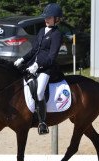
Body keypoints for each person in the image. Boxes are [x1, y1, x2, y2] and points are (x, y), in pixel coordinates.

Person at [14, 3, 63, 135]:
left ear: (57, 19)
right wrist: (22, 59)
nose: (46, 19)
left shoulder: (57, 34)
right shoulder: (42, 31)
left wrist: (38, 66)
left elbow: (52, 57)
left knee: (40, 92)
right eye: (45, 17)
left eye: (49, 17)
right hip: (32, 64)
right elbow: (34, 50)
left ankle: (42, 122)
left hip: (46, 68)